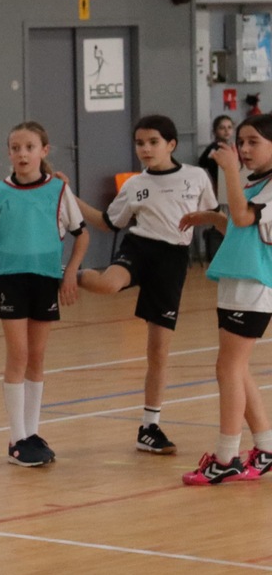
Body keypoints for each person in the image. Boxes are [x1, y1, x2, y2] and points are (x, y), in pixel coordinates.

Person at [62, 115, 216, 455]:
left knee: (158, 351)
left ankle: (149, 428)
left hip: (173, 261)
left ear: (171, 144)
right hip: (140, 248)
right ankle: (63, 274)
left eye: (153, 142)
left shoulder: (196, 176)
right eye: (140, 143)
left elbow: (213, 216)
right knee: (107, 284)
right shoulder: (134, 185)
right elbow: (107, 222)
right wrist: (69, 197)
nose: (145, 149)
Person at [0, 121, 89, 466]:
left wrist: (69, 272)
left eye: (29, 147)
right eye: (15, 148)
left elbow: (82, 234)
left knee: (37, 357)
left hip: (45, 279)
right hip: (11, 280)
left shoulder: (58, 190)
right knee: (19, 354)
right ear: (9, 153)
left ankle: (31, 433)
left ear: (44, 150)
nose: (22, 154)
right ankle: (16, 440)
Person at [178, 113, 272, 484]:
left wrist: (230, 170)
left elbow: (244, 218)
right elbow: (239, 226)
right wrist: (210, 217)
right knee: (236, 368)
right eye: (241, 142)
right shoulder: (255, 182)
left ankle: (226, 458)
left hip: (254, 284)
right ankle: (265, 449)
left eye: (253, 142)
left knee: (228, 368)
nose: (244, 149)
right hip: (236, 281)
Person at [198, 114, 236, 262]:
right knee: (224, 222)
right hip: (221, 192)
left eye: (229, 127)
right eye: (222, 128)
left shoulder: (234, 147)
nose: (226, 131)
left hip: (232, 189)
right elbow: (203, 162)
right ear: (215, 131)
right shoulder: (214, 148)